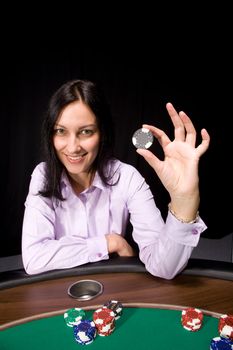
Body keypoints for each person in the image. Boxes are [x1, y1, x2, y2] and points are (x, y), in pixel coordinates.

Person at [21, 79, 210, 279]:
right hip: (59, 292)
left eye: (86, 132)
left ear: (102, 133)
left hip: (113, 290)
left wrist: (185, 201)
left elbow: (163, 267)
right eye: (61, 131)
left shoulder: (127, 178)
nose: (72, 146)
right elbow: (34, 259)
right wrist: (110, 242)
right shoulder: (43, 175)